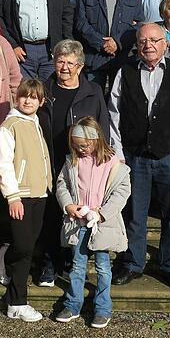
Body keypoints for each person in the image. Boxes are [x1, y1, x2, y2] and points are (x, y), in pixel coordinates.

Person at [109, 23, 170, 291]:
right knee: (135, 214)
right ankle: (134, 263)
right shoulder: (123, 73)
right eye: (143, 40)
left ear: (165, 44)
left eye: (154, 40)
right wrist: (118, 153)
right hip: (135, 157)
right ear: (137, 45)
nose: (148, 45)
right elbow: (114, 116)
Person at [37, 40, 111, 286]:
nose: (65, 67)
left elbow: (103, 127)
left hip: (81, 166)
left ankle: (72, 264)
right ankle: (49, 264)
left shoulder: (93, 91)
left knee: (77, 215)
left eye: (70, 63)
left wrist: (102, 159)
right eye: (60, 61)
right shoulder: (43, 91)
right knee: (51, 216)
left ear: (80, 66)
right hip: (50, 160)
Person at [53, 117, 131, 329]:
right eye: (76, 145)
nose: (81, 149)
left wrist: (102, 213)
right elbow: (62, 185)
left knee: (103, 267)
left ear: (97, 140)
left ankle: (103, 308)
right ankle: (73, 303)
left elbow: (122, 191)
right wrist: (69, 206)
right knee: (77, 265)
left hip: (102, 224)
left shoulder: (113, 162)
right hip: (78, 222)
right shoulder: (72, 161)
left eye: (85, 145)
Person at [0, 79, 52, 322]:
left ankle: (6, 256)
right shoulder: (11, 124)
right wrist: (12, 196)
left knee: (29, 245)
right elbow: (3, 163)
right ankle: (17, 302)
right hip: (21, 196)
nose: (28, 101)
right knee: (25, 249)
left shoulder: (36, 122)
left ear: (41, 102)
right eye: (24, 96)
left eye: (33, 97)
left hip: (40, 193)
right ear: (17, 98)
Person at [75, 0, 144, 87]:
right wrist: (102, 43)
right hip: (94, 58)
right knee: (93, 100)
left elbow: (138, 25)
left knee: (119, 103)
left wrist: (117, 43)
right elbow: (81, 23)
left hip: (123, 58)